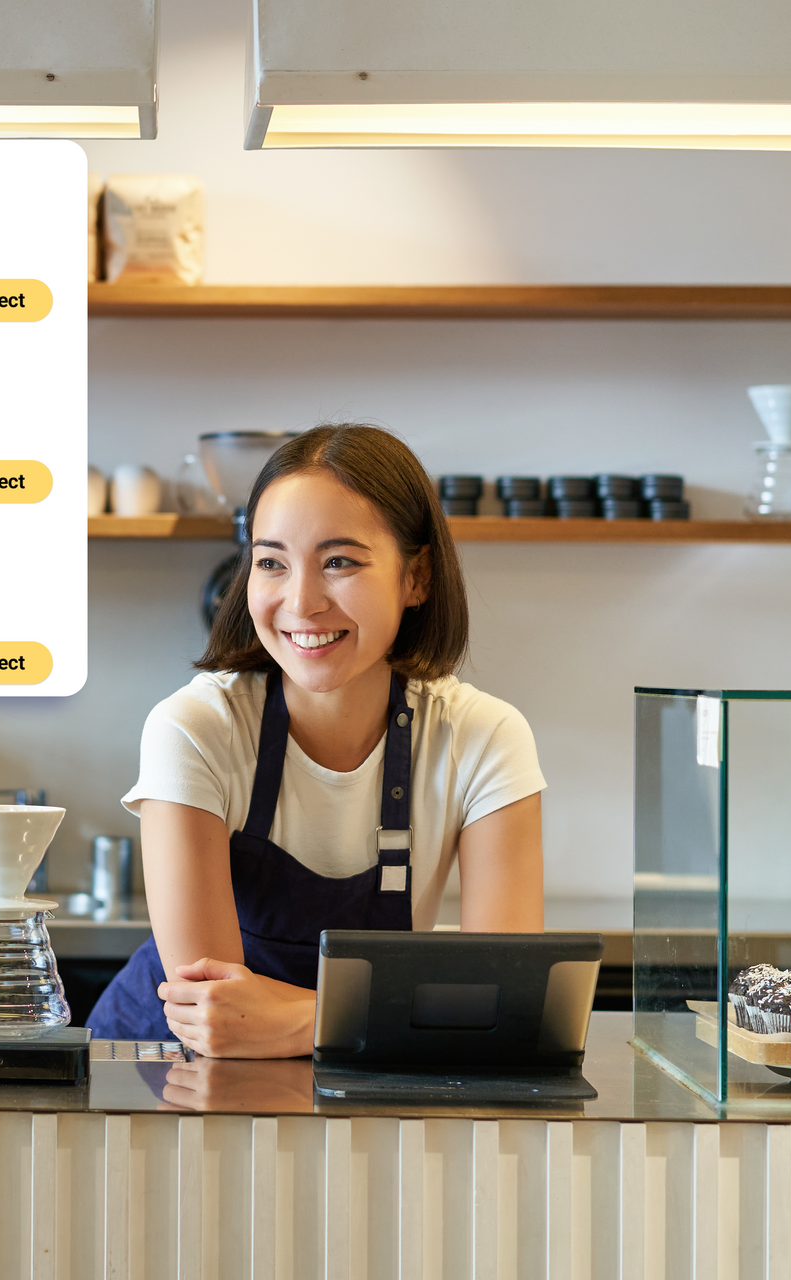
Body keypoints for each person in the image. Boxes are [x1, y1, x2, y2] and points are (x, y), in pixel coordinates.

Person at [86, 425, 546, 1057]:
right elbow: (215, 1016)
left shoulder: (484, 738)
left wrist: (305, 1017)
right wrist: (412, 1013)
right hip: (163, 1083)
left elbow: (506, 1005)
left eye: (340, 562)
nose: (300, 602)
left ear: (417, 579)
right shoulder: (195, 729)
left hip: (364, 1083)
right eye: (271, 562)